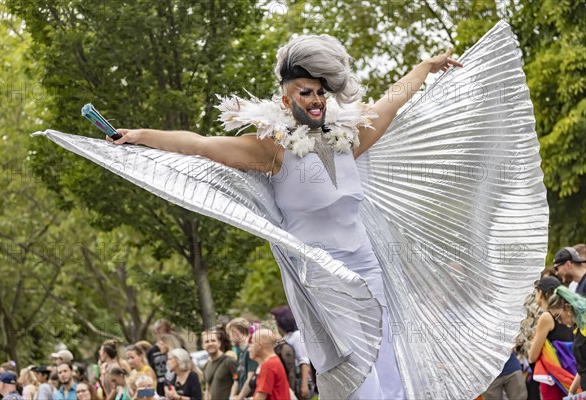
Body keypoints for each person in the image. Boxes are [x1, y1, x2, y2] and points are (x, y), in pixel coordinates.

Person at [41, 22, 548, 399]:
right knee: (357, 379)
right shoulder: (272, 152)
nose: (316, 100)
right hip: (321, 279)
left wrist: (427, 67)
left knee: (391, 368)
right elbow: (198, 144)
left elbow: (393, 102)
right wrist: (140, 137)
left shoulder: (350, 141)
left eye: (321, 92)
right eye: (305, 91)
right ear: (285, 99)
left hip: (367, 267)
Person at [528, 277, 576, 399]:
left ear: (540, 293)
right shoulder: (568, 312)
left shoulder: (546, 317)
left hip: (554, 379)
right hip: (572, 375)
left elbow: (532, 357)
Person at [548, 285, 586, 396]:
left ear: (568, 308)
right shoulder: (578, 328)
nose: (559, 322)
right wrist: (571, 392)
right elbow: (582, 368)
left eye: (558, 316)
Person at [270, 306, 311, 399]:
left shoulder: (297, 336)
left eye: (275, 319)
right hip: (290, 378)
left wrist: (304, 385)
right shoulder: (286, 337)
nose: (274, 323)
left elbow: (304, 361)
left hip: (298, 379)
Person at [249, 329, 291, 400]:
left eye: (252, 343)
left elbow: (260, 397)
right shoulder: (275, 360)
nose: (250, 347)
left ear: (259, 345)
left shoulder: (268, 365)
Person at [226, 318, 258, 400]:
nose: (229, 338)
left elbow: (250, 379)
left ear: (235, 332)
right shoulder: (240, 352)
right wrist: (231, 397)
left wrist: (240, 397)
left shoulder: (250, 351)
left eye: (229, 334)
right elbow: (237, 378)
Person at [201, 330, 237, 400]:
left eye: (213, 340)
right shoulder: (207, 365)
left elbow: (237, 381)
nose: (210, 344)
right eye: (207, 342)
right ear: (203, 346)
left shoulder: (229, 361)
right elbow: (207, 389)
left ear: (219, 343)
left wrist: (232, 397)